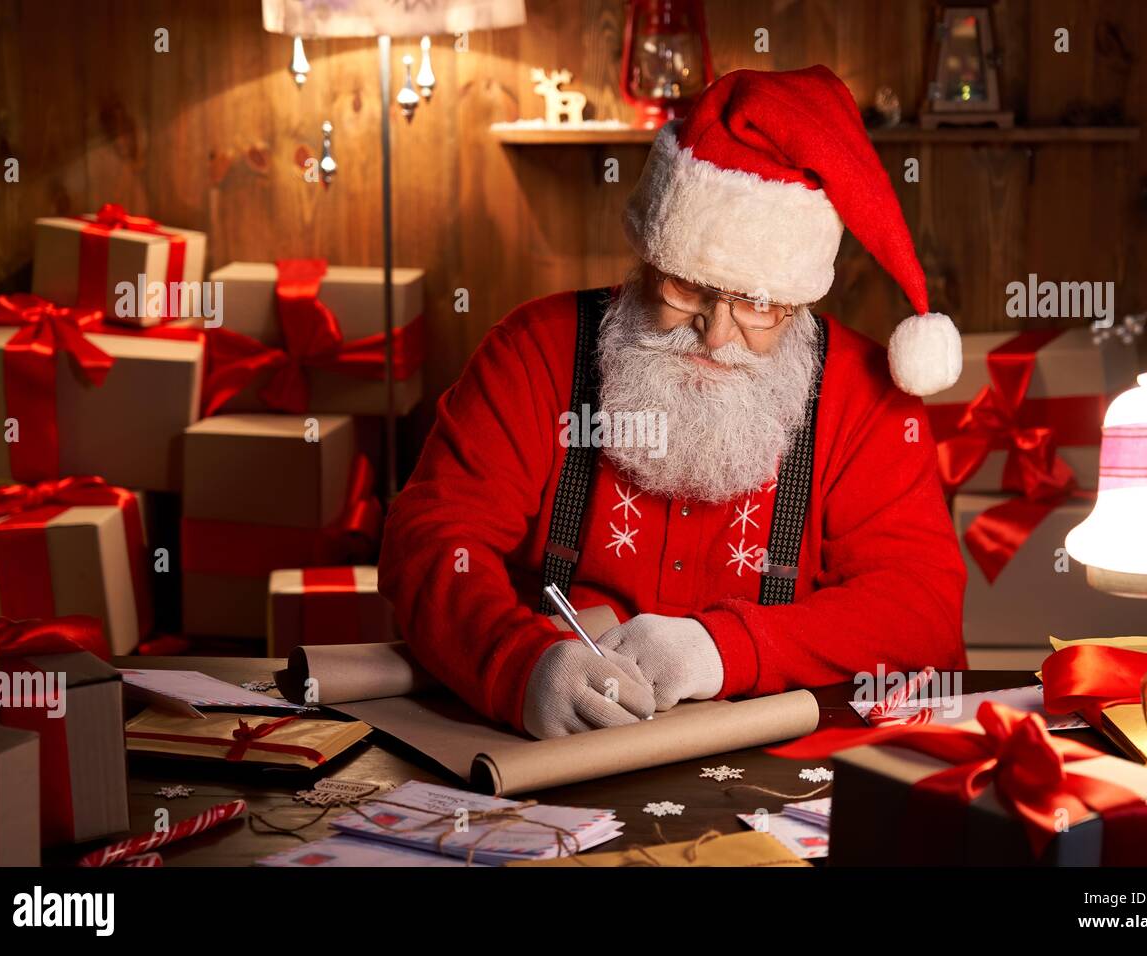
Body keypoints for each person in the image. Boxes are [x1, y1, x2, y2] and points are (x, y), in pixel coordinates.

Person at [379, 65, 966, 739]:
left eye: (758, 304)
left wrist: (722, 649)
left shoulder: (866, 397)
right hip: (547, 753)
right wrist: (519, 662)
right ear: (646, 262)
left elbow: (921, 614)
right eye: (685, 289)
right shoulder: (534, 351)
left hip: (774, 770)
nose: (716, 335)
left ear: (800, 300)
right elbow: (430, 542)